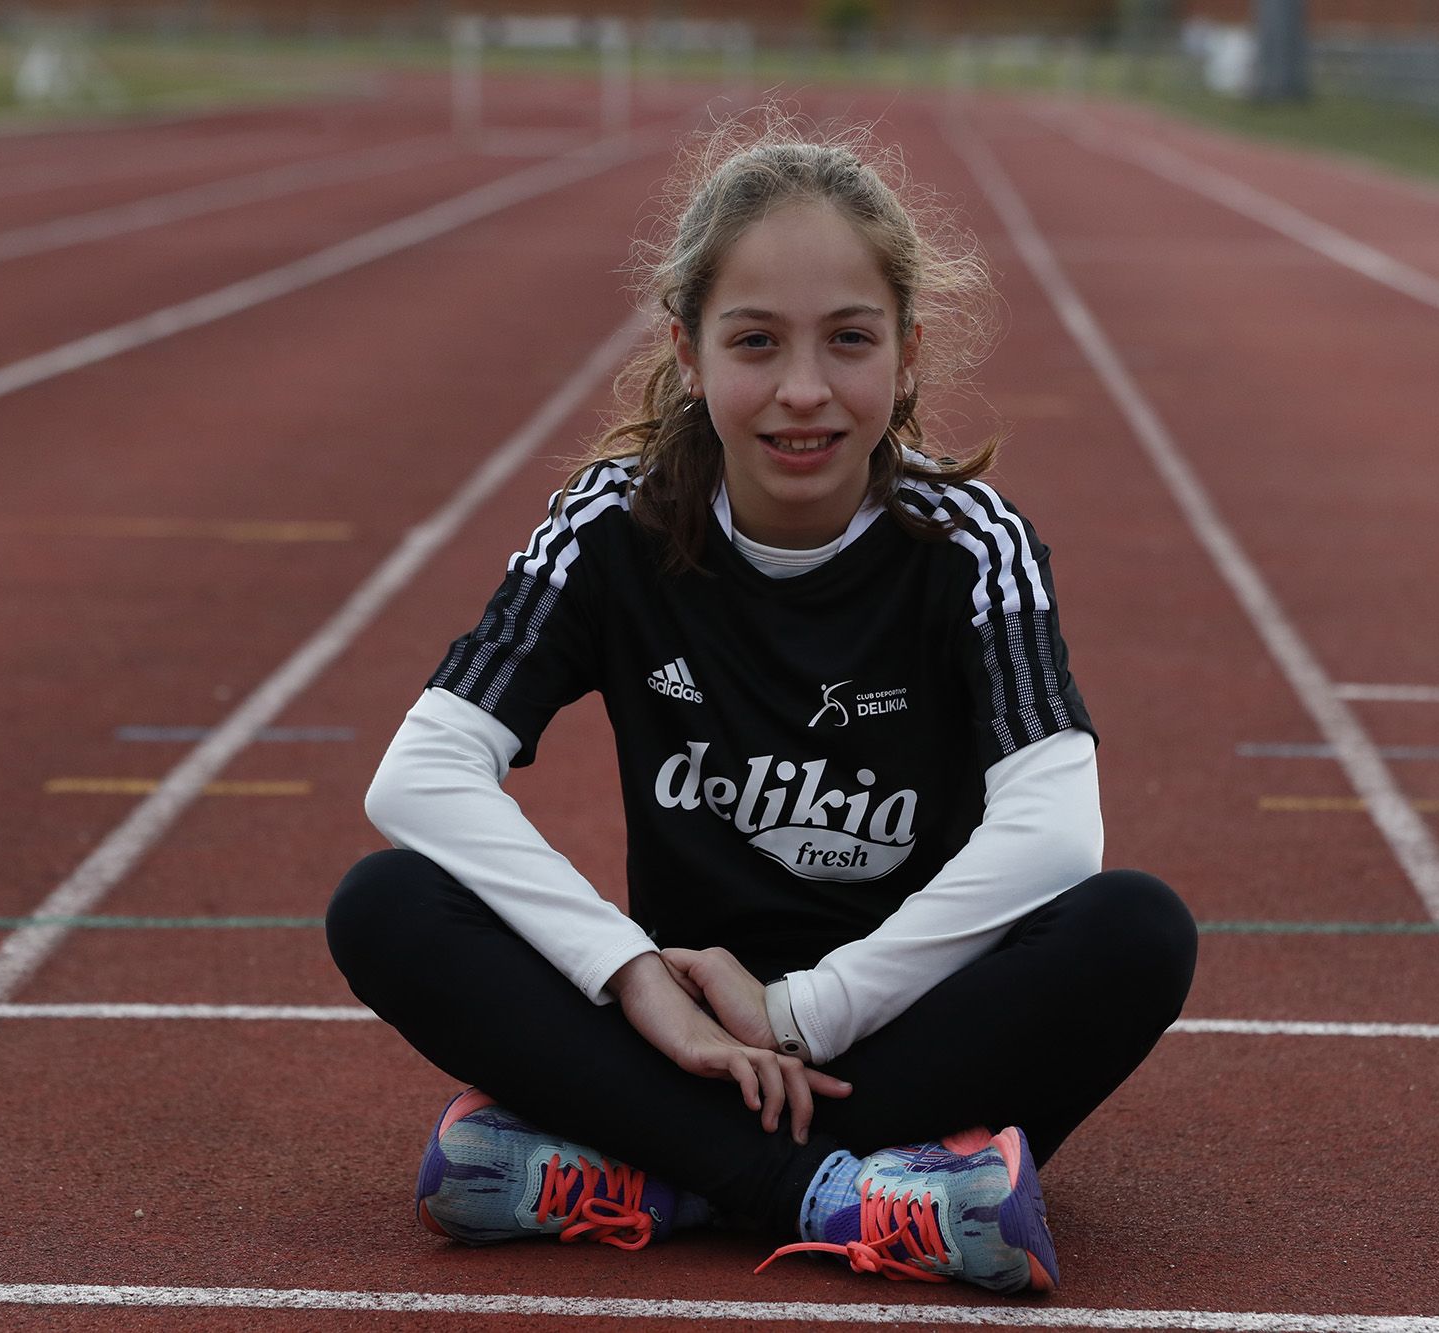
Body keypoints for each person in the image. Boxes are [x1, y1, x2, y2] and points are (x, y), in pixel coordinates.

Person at [325, 114, 1197, 1297]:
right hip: (672, 1034)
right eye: (754, 342)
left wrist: (798, 1017)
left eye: (847, 340)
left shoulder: (966, 544)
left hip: (892, 1028)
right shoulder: (611, 527)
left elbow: (1055, 830)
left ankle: (656, 1177)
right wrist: (634, 976)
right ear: (686, 353)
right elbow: (417, 776)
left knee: (1133, 930)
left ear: (906, 352)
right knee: (385, 904)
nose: (802, 391)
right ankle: (845, 1197)